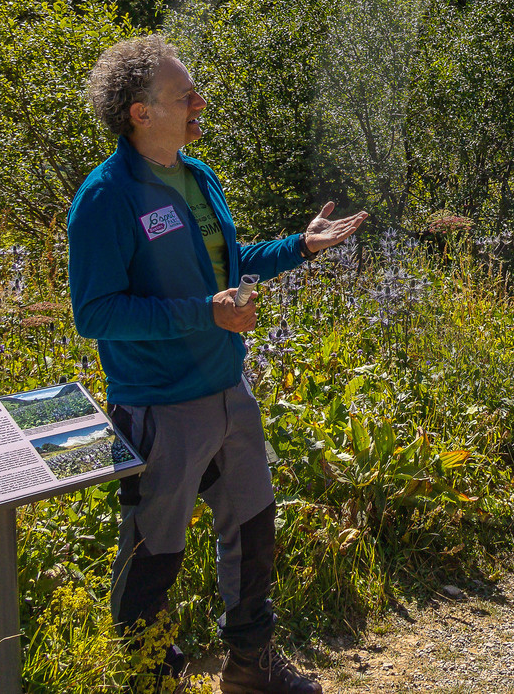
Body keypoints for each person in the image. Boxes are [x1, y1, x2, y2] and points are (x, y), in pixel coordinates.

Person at [68, 35, 367, 694]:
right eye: (185, 96)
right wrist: (205, 312)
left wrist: (299, 247)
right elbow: (96, 313)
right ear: (141, 112)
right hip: (159, 403)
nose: (200, 103)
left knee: (254, 529)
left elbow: (226, 266)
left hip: (229, 390)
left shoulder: (198, 176)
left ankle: (251, 669)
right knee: (155, 549)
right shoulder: (105, 197)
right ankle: (147, 675)